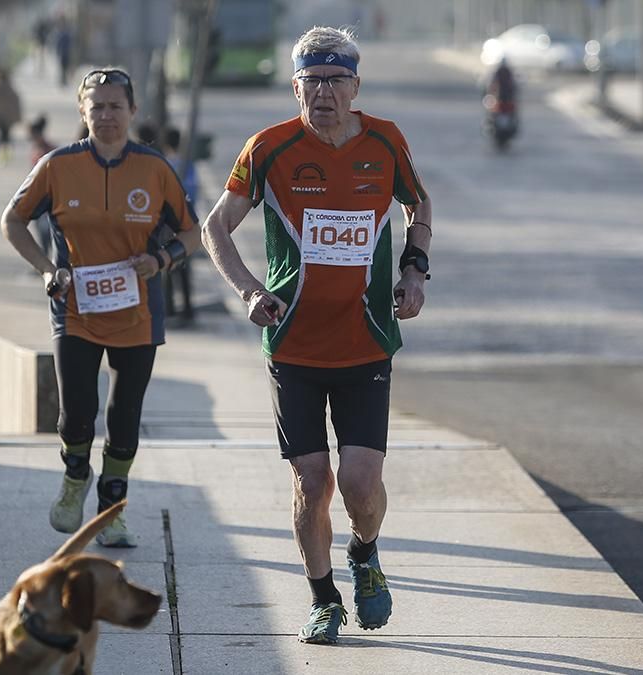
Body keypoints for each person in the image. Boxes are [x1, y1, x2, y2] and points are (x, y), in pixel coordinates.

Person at [201, 26, 431, 644]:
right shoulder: (269, 147)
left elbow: (419, 206)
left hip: (366, 339)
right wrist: (250, 290)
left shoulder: (385, 141)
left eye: (336, 80)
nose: (323, 92)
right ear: (295, 84)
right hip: (294, 343)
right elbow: (215, 227)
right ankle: (323, 597)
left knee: (359, 484)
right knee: (311, 480)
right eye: (312, 80)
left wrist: (414, 267)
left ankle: (366, 550)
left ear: (355, 85)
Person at [1, 68, 201, 547]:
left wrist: (160, 259)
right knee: (76, 414)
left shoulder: (153, 168)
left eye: (116, 106)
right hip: (76, 309)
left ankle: (112, 510)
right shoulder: (57, 166)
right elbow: (13, 221)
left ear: (132, 111)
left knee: (124, 416)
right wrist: (48, 270)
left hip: (139, 313)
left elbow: (193, 234)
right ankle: (74, 480)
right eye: (98, 107)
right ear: (83, 112)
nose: (107, 115)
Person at [161, 127, 196, 320]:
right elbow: (194, 191)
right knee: (183, 266)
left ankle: (170, 308)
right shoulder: (188, 165)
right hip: (188, 222)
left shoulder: (164, 165)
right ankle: (187, 308)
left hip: (167, 224)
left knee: (168, 265)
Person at [27, 114, 56, 256]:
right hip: (38, 196)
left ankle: (49, 260)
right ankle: (44, 258)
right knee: (41, 230)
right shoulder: (37, 148)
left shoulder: (47, 151)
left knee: (47, 231)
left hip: (48, 196)